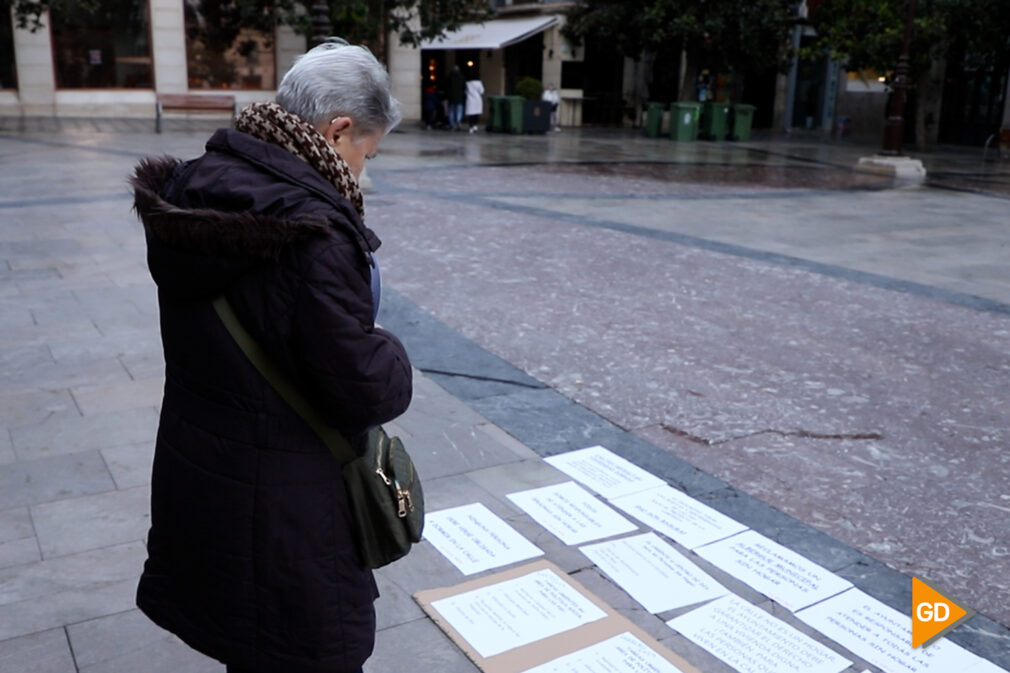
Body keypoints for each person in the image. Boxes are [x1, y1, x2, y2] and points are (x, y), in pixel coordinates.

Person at [129, 39, 412, 673]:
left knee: (249, 644)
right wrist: (391, 350)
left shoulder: (198, 185)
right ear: (338, 130)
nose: (366, 169)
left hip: (207, 474)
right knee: (304, 650)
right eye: (368, 150)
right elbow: (364, 388)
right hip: (288, 506)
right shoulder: (310, 228)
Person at [446, 64, 465, 130]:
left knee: (451, 111)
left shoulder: (449, 77)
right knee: (459, 111)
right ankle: (458, 121)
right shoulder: (461, 77)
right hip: (459, 97)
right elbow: (463, 87)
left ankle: (452, 124)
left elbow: (447, 88)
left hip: (451, 97)